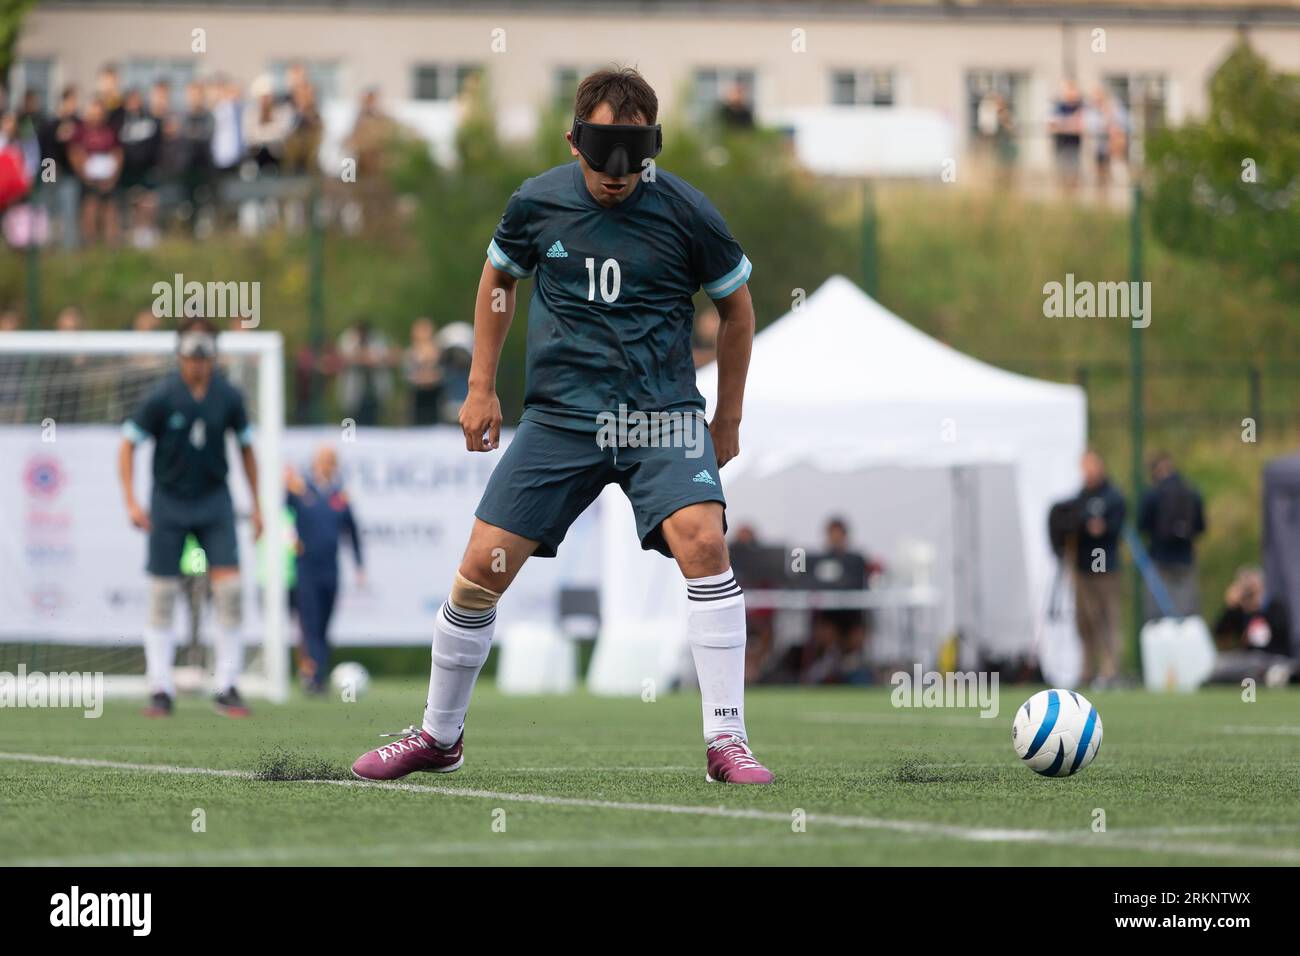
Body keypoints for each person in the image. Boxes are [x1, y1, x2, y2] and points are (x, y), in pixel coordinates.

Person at [351, 67, 771, 785]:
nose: (616, 172)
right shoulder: (535, 202)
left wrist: (726, 416)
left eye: (632, 154)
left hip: (662, 414)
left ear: (651, 146)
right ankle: (438, 735)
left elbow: (738, 309)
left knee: (704, 541)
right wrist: (481, 386)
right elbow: (497, 282)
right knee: (481, 570)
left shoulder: (687, 212)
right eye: (603, 150)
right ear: (573, 140)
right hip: (561, 417)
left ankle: (726, 741)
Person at [118, 315, 263, 718]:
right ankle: (160, 687)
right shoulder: (162, 396)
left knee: (230, 590)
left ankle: (227, 685)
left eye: (204, 350)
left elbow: (247, 450)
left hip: (215, 500)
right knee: (163, 593)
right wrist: (131, 501)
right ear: (180, 351)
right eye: (191, 350)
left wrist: (258, 506)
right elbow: (128, 444)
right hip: (170, 502)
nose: (198, 359)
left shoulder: (229, 396)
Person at [286, 445, 364, 694]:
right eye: (323, 460)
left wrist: (359, 566)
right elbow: (283, 512)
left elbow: (352, 532)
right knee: (309, 622)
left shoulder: (340, 496)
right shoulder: (301, 490)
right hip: (306, 566)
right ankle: (314, 676)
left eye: (332, 461)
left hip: (330, 569)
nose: (327, 465)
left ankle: (317, 672)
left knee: (324, 624)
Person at [1072, 449, 1127, 687]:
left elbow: (1112, 526)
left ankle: (1109, 669)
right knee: (1085, 620)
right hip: (1082, 567)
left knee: (1107, 617)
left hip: (1105, 566)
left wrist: (1099, 527)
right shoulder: (1080, 496)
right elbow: (1075, 522)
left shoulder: (1113, 496)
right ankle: (1087, 669)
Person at [1137, 451, 1205, 620]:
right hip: (1186, 559)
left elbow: (1142, 526)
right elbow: (1201, 527)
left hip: (1158, 559)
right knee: (1186, 614)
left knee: (1157, 615)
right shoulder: (1192, 492)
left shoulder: (1152, 495)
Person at [1211, 567, 1294, 686]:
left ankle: (1271, 676)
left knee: (1280, 667)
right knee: (1222, 663)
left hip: (1273, 658)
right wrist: (1230, 607)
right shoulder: (1239, 612)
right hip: (1248, 661)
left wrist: (1258, 607)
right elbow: (1219, 632)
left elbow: (1281, 631)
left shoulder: (1274, 607)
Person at [403, 317, 444, 425]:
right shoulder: (411, 353)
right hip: (417, 400)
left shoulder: (439, 352)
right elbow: (408, 375)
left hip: (435, 400)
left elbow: (442, 374)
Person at [1049, 78, 1084, 192]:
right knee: (1062, 176)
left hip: (1075, 146)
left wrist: (1064, 124)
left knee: (1075, 176)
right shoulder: (1058, 106)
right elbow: (1052, 126)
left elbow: (1081, 126)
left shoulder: (1081, 106)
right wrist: (1071, 123)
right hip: (1061, 146)